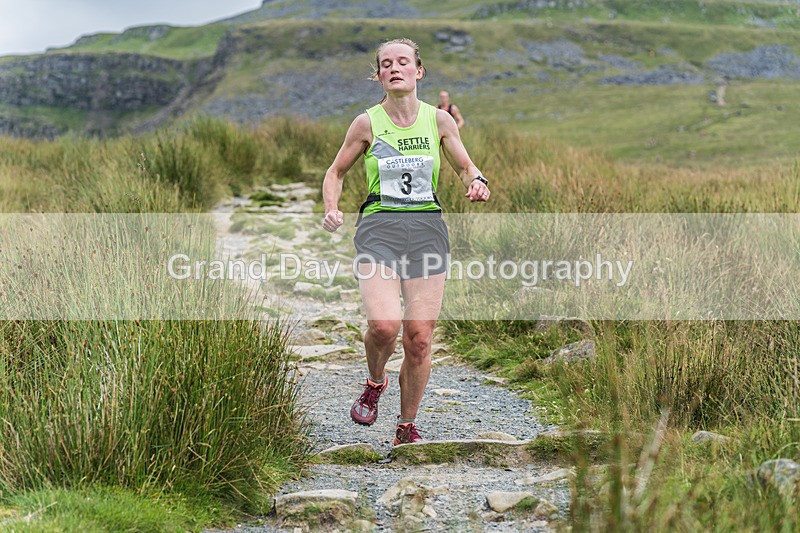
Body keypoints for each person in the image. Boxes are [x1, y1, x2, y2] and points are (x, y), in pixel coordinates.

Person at [321, 38, 490, 445]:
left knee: (419, 337)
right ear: (378, 75)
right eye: (386, 64)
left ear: (419, 71)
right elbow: (336, 172)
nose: (394, 68)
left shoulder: (439, 121)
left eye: (403, 62)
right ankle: (374, 381)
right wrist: (331, 206)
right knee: (384, 327)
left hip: (427, 229)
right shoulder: (366, 123)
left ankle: (406, 426)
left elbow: (465, 166)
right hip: (380, 228)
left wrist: (477, 182)